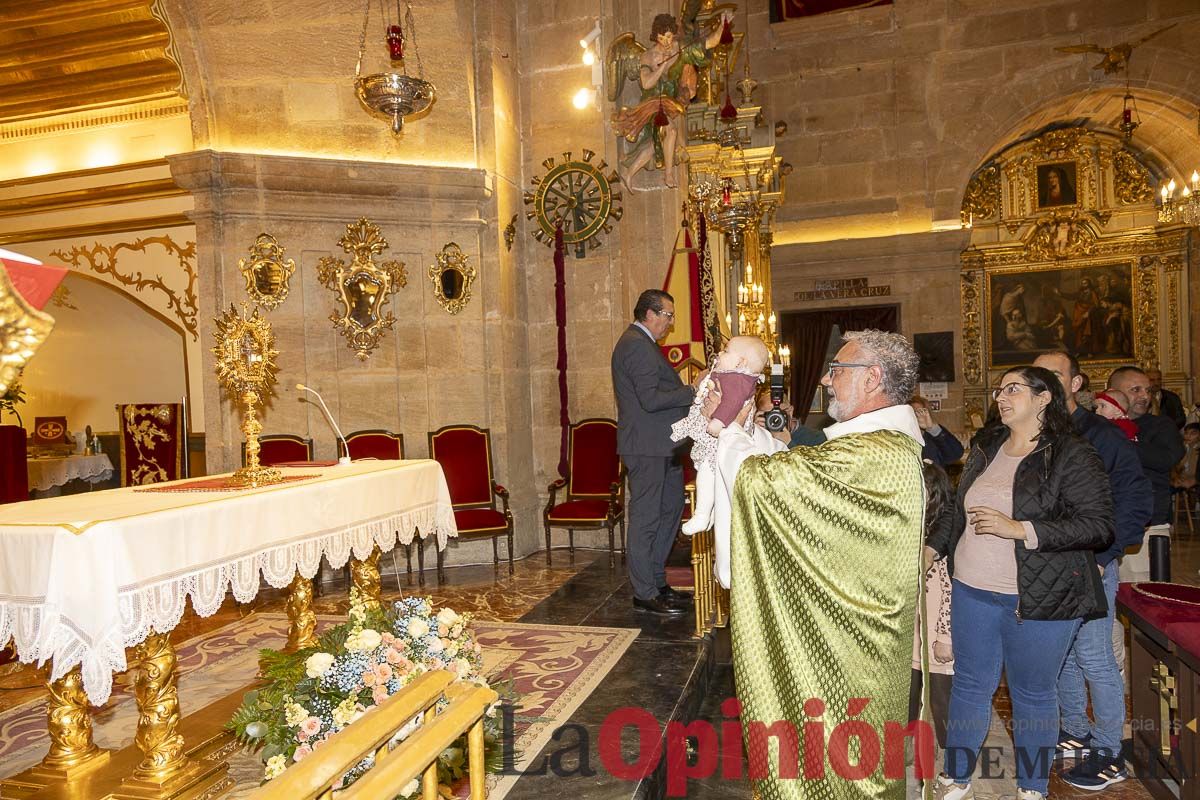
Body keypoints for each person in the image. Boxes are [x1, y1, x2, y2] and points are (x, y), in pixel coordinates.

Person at [716, 329, 926, 799]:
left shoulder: (872, 452)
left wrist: (726, 430)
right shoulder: (876, 445)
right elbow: (800, 480)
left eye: (838, 370)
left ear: (873, 378)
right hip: (851, 637)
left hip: (851, 649)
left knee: (844, 759)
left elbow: (764, 484)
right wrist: (751, 434)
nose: (827, 380)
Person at [926, 365, 1114, 800]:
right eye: (999, 390)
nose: (1001, 397)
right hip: (972, 589)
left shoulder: (1072, 453)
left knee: (1032, 694)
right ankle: (957, 776)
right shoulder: (987, 445)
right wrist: (934, 549)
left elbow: (1099, 526)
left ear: (1044, 397)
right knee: (970, 685)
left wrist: (1022, 529)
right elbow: (958, 510)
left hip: (1038, 594)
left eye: (1013, 389)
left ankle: (1031, 786)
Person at [1033, 352, 1152, 790]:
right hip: (1048, 568)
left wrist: (1104, 556)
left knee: (1095, 657)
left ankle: (1109, 750)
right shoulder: (1033, 432)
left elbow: (1136, 499)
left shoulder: (1101, 435)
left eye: (1054, 375)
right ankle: (1075, 732)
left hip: (1091, 563)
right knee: (1061, 656)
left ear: (1076, 382)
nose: (1043, 381)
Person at [611, 289, 697, 616]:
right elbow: (649, 400)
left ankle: (659, 583)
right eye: (668, 315)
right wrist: (690, 390)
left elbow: (657, 394)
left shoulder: (645, 345)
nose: (670, 323)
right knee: (646, 520)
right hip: (647, 448)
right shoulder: (635, 345)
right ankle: (644, 592)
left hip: (665, 445)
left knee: (670, 511)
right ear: (650, 314)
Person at [613, 12, 730, 189]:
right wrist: (663, 67)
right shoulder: (648, 56)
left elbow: (709, 42)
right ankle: (668, 176)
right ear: (656, 37)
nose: (666, 42)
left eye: (669, 37)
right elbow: (646, 84)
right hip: (653, 103)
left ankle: (628, 174)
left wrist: (723, 25)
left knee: (655, 144)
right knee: (672, 132)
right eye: (662, 38)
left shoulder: (679, 48)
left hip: (670, 102)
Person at [670, 335, 769, 535]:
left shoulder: (737, 379)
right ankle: (711, 512)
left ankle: (702, 514)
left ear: (741, 362)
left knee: (707, 471)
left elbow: (731, 404)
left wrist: (717, 422)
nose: (720, 354)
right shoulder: (731, 374)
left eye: (726, 351)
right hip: (719, 434)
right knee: (711, 475)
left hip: (721, 433)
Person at [1106, 366, 1185, 582]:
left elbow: (1165, 459)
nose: (1144, 396)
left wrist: (1119, 440)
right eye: (1136, 390)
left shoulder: (1160, 425)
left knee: (1141, 592)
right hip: (1105, 526)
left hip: (1148, 526)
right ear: (1113, 392)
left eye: (1147, 390)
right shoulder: (1099, 426)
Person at [909, 462, 955, 758]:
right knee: (908, 697)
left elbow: (950, 595)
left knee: (942, 700)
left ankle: (952, 756)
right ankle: (907, 747)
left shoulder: (945, 544)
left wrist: (944, 636)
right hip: (910, 638)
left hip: (936, 639)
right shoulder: (910, 532)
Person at [911, 395, 965, 467]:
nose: (918, 416)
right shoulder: (901, 436)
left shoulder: (935, 433)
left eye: (921, 411)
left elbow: (955, 455)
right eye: (913, 412)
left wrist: (931, 428)